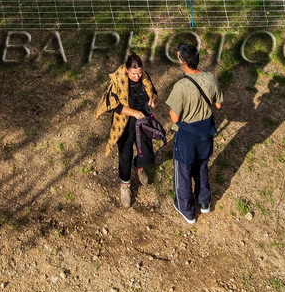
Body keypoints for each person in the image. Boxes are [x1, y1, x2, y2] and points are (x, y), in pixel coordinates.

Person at [166, 41, 222, 225]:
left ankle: (187, 210)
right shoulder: (211, 78)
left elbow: (174, 118)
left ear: (183, 62)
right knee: (201, 166)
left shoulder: (181, 86)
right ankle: (204, 202)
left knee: (183, 172)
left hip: (187, 137)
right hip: (206, 133)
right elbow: (218, 104)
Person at [94, 51, 160, 208]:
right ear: (126, 69)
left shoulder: (144, 77)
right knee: (125, 155)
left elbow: (155, 93)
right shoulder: (118, 80)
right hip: (124, 124)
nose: (137, 77)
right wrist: (135, 113)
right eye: (134, 74)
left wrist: (153, 100)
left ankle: (138, 166)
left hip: (142, 122)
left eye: (139, 73)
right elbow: (114, 105)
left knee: (147, 153)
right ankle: (125, 185)